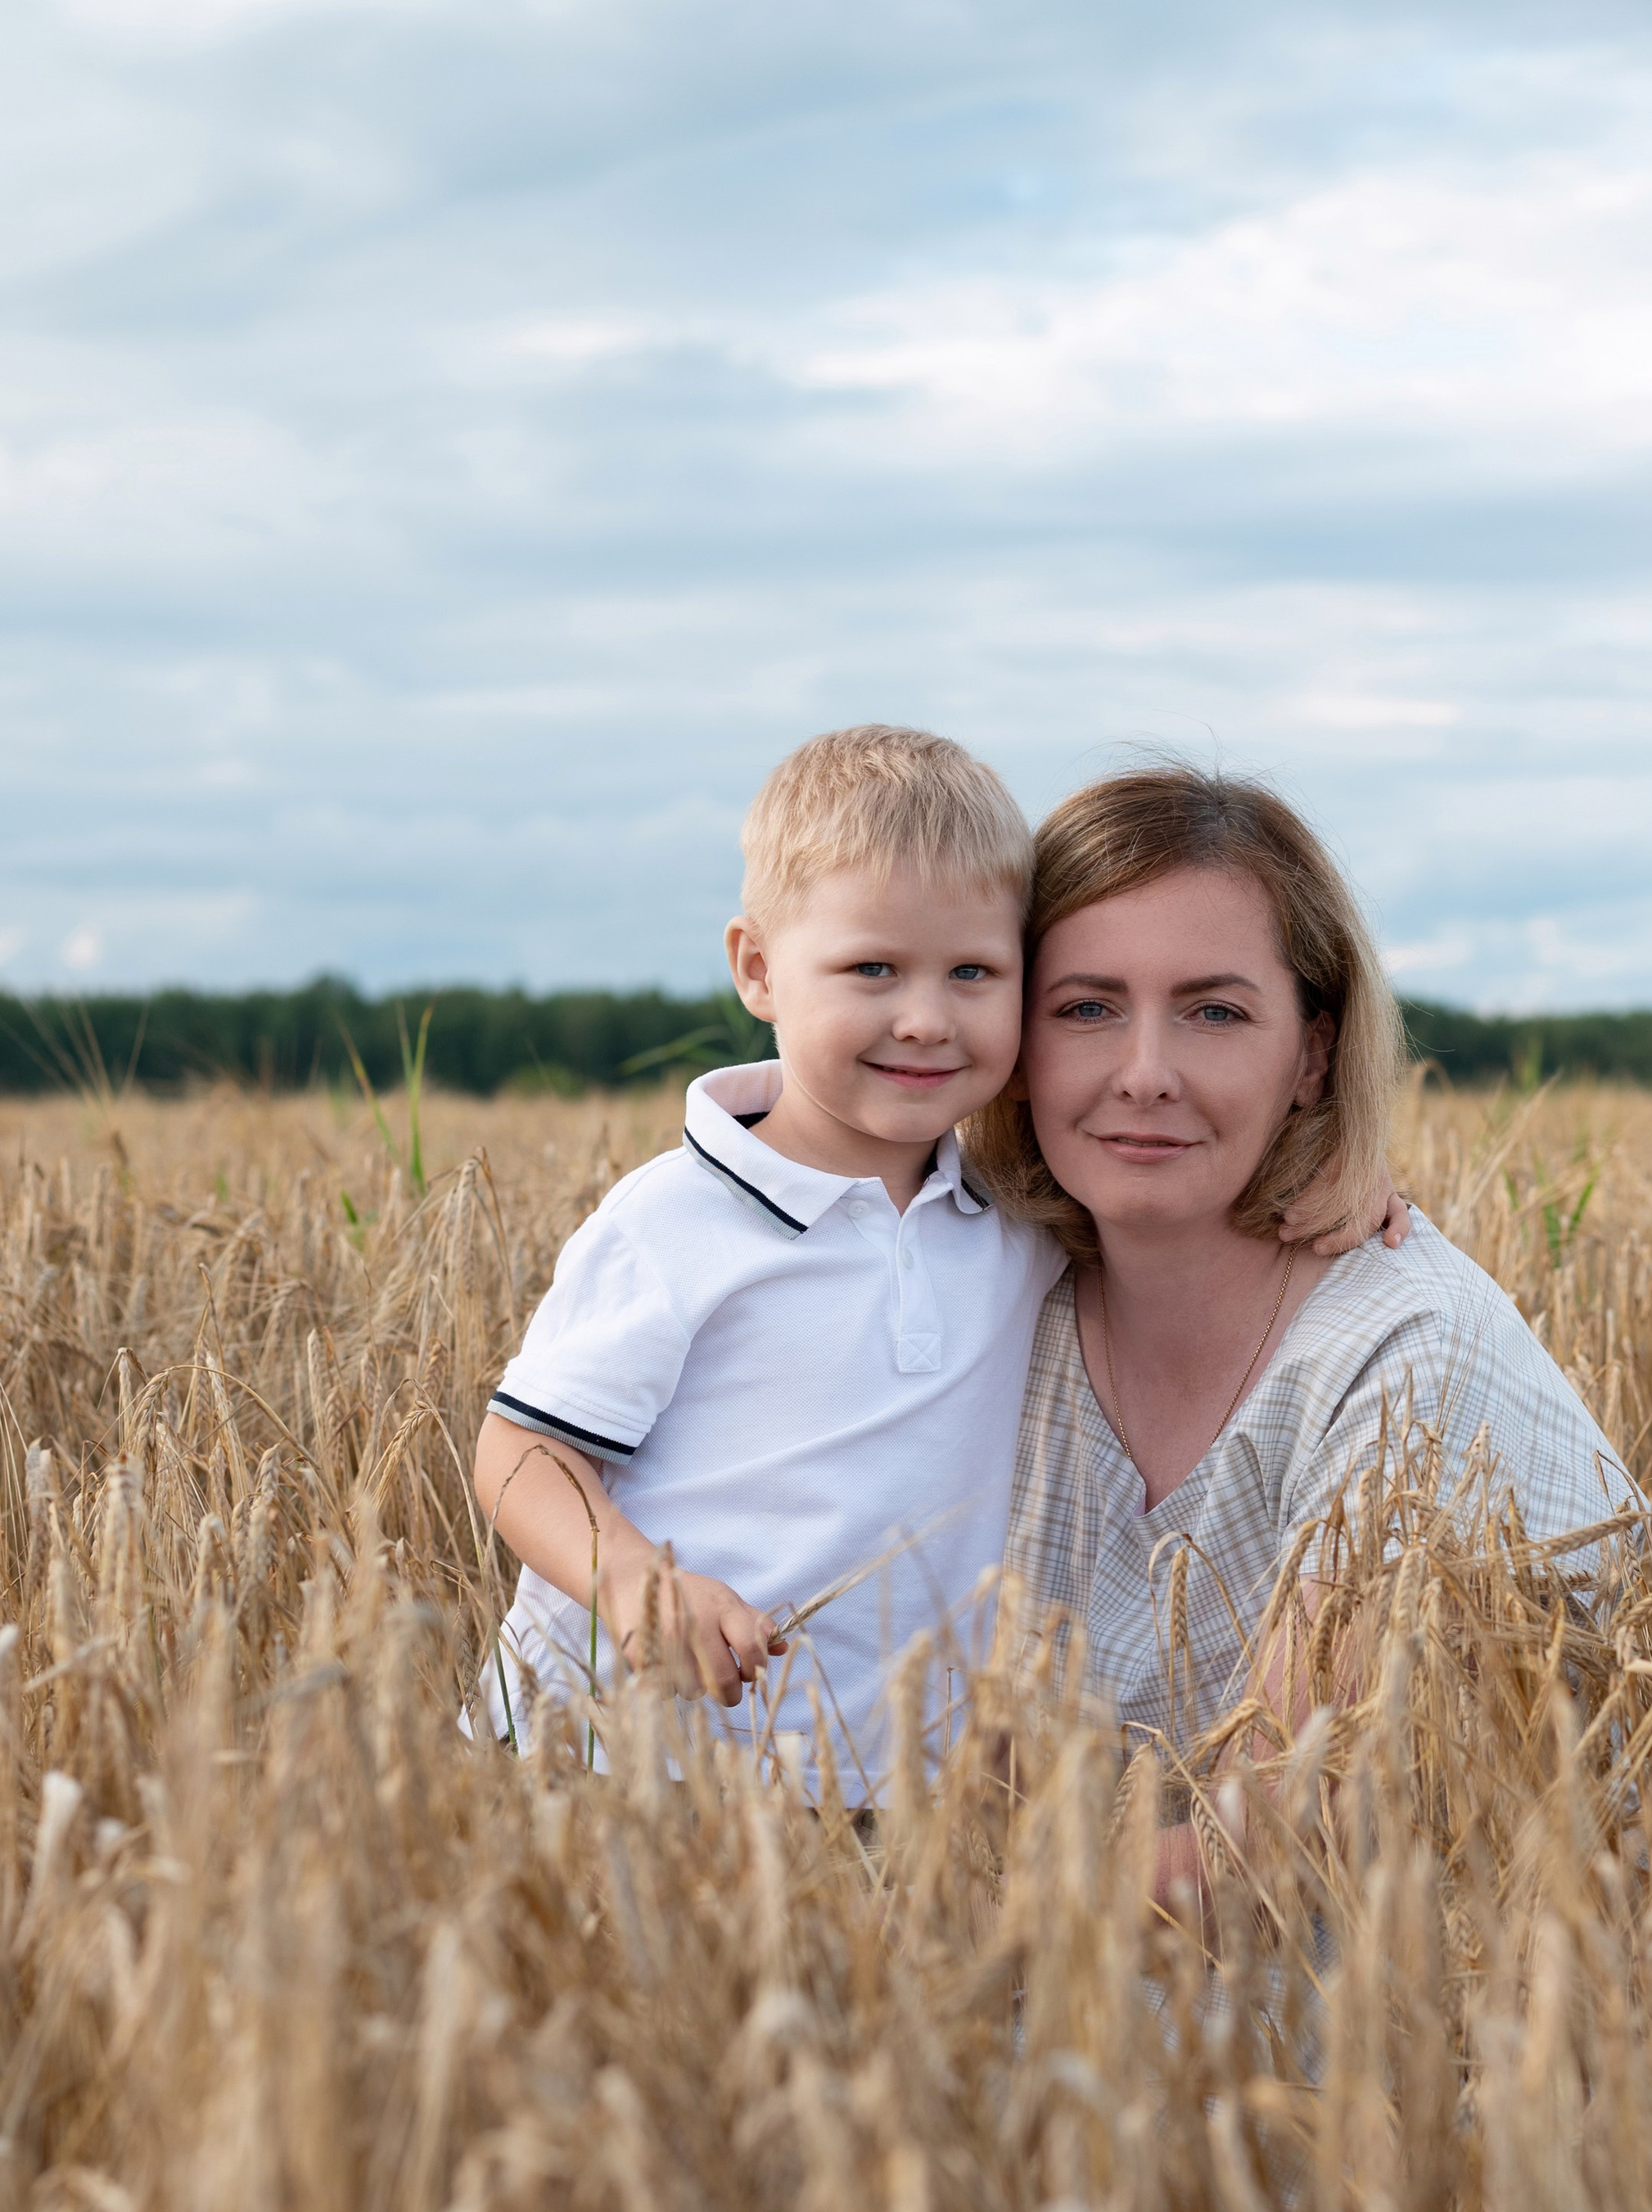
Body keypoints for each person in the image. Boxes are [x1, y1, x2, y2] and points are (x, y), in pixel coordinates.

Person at [472, 727, 1401, 1799]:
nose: (925, 1017)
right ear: (758, 968)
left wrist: (1327, 1173)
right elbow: (520, 1452)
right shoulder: (677, 1221)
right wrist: (634, 1584)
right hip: (608, 1757)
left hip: (860, 1784)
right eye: (873, 968)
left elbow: (1181, 1215)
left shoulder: (1013, 1218)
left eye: (973, 972)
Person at [976, 766, 1635, 1818]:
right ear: (1009, 1042)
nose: (1145, 1072)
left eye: (1215, 1013)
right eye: (1087, 1006)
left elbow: (1270, 1837)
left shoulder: (1413, 1349)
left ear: (1312, 1056)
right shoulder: (981, 1297)